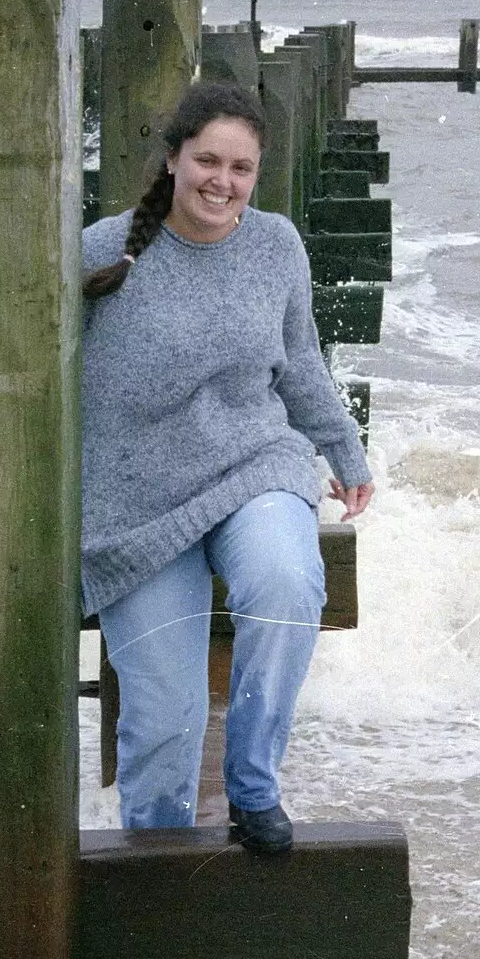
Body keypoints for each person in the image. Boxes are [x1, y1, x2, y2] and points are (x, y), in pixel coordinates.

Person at [81, 81, 374, 853]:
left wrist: (343, 449)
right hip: (137, 502)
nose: (223, 181)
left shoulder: (276, 245)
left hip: (255, 468)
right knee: (163, 720)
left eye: (241, 167)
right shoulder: (100, 252)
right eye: (207, 159)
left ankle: (252, 784)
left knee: (285, 583)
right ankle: (157, 869)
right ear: (173, 158)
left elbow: (301, 365)